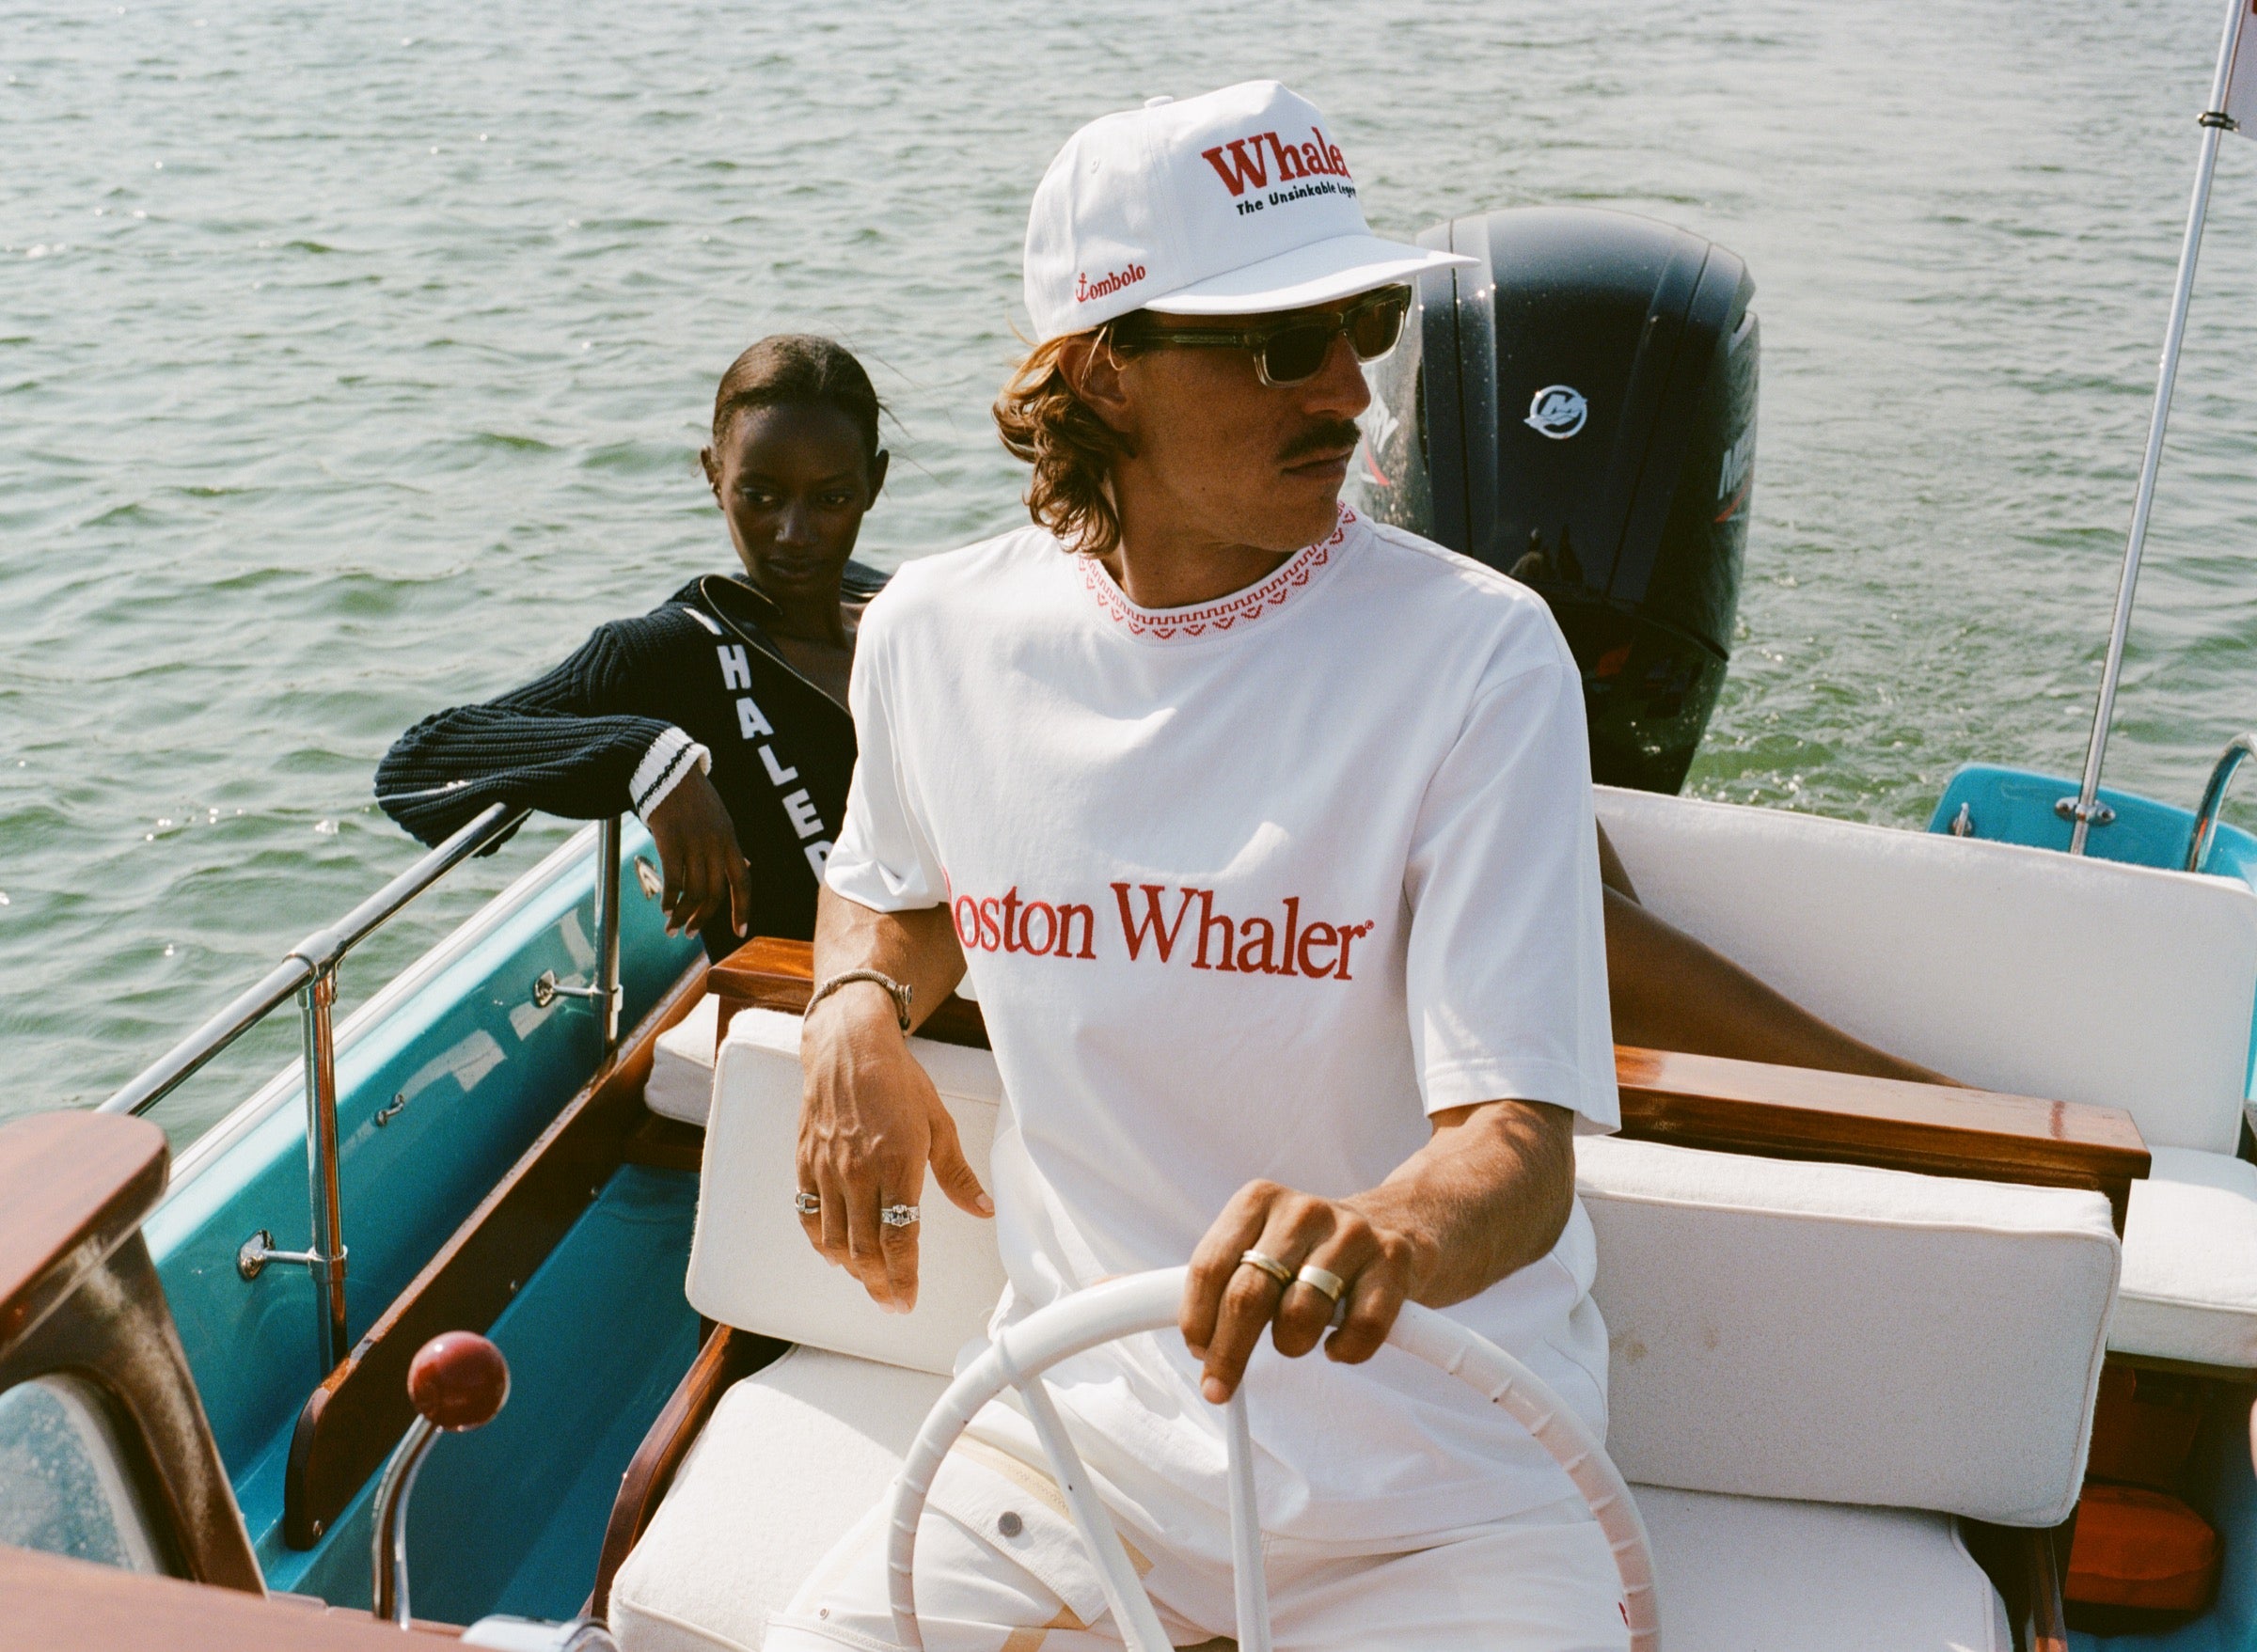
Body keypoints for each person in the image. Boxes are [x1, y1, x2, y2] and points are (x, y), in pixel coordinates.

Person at [776, 82, 1630, 1651]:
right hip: (1065, 1447)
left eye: (1363, 319)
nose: (1350, 390)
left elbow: (1516, 1147)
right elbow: (895, 888)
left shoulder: (1480, 661)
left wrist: (1384, 1230)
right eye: (1276, 340)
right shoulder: (935, 635)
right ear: (1101, 369)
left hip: (1438, 1488)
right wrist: (852, 1010)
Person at [373, 336, 889, 957]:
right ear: (714, 476)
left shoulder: (906, 610)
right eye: (761, 497)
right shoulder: (670, 654)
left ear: (875, 481)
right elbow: (415, 769)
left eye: (831, 499)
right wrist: (647, 757)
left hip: (972, 987)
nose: (795, 533)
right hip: (803, 1008)